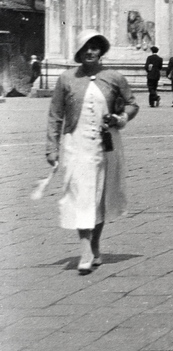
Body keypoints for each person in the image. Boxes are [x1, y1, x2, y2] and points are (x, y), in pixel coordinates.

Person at [46, 30, 138, 276]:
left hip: (106, 144)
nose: (90, 52)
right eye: (85, 48)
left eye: (95, 48)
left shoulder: (114, 77)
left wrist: (120, 118)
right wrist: (52, 147)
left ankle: (95, 243)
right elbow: (55, 114)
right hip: (76, 143)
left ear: (101, 51)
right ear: (78, 52)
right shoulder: (66, 78)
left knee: (99, 194)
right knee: (79, 192)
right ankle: (85, 248)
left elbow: (132, 103)